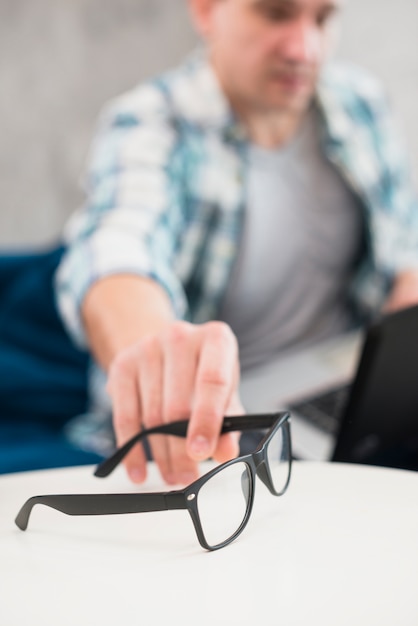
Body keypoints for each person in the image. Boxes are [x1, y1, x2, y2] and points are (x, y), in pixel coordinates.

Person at [54, 0, 418, 485]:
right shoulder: (151, 124)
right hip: (225, 421)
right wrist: (157, 356)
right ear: (205, 10)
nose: (304, 48)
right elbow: (115, 250)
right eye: (275, 13)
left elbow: (404, 240)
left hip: (342, 382)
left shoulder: (360, 103)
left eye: (323, 18)